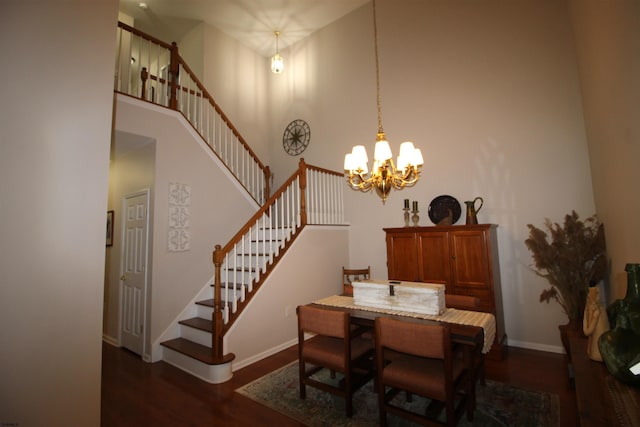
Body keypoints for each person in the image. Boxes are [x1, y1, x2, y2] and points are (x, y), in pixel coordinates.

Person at [583, 286, 609, 361]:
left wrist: (585, 312)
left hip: (599, 341)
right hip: (595, 337)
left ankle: (597, 354)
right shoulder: (598, 307)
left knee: (596, 345)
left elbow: (587, 331)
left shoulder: (597, 311)